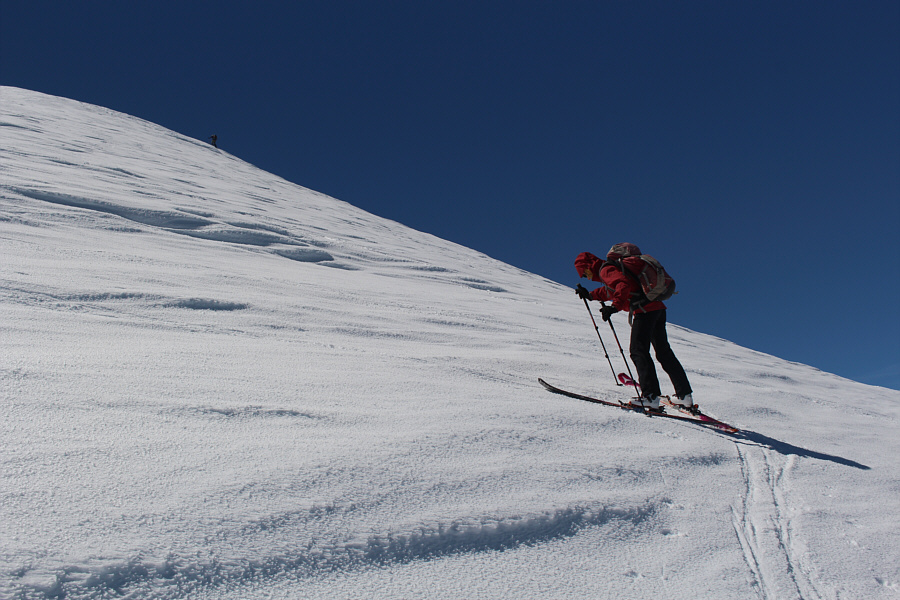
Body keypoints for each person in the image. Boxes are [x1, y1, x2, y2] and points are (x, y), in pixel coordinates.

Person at [574, 243, 693, 410]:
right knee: (664, 352)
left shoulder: (605, 270)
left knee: (638, 351)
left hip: (644, 310)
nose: (586, 277)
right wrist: (590, 295)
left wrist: (614, 307)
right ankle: (684, 396)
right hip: (657, 308)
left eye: (585, 273)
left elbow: (622, 285)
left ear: (589, 266)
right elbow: (611, 290)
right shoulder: (612, 269)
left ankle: (650, 397)